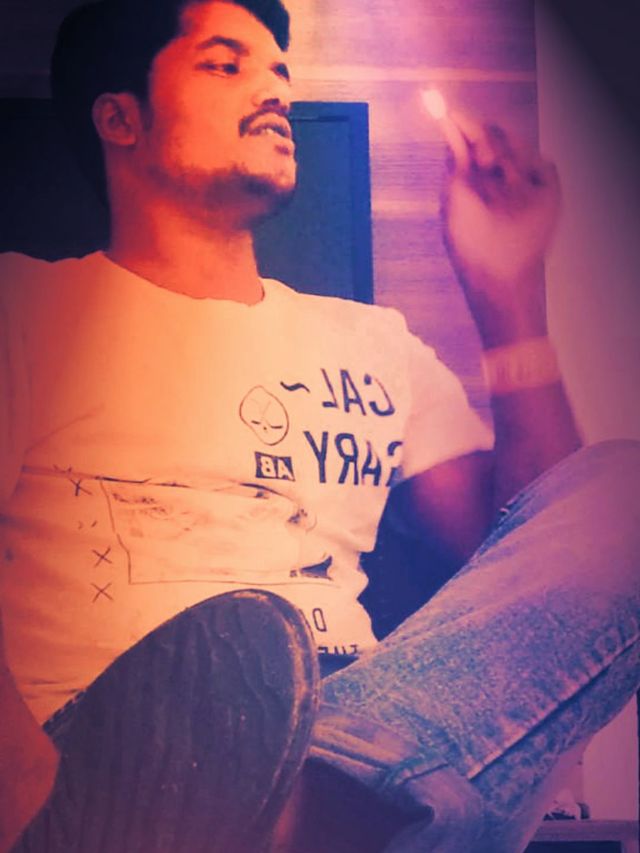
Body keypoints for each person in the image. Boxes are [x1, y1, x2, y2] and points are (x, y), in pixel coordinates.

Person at [0, 0, 638, 850]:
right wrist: (24, 801)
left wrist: (508, 292)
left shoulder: (375, 345)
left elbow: (523, 561)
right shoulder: (28, 305)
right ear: (121, 117)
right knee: (258, 661)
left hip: (355, 728)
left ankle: (322, 810)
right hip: (114, 764)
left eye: (279, 70)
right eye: (225, 64)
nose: (273, 90)